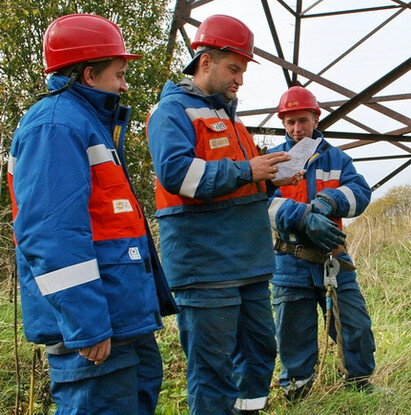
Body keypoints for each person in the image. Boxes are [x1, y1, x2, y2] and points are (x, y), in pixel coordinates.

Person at [7, 14, 177, 414]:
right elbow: (50, 233)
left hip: (120, 321)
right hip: (97, 330)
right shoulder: (55, 127)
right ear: (88, 75)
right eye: (118, 74)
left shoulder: (84, 122)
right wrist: (86, 324)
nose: (124, 84)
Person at [147, 14, 294, 415]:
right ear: (205, 61)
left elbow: (239, 184)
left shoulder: (233, 120)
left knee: (260, 351)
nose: (240, 80)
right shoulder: (171, 112)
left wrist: (271, 176)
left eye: (243, 71)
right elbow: (179, 175)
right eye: (234, 69)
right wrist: (249, 170)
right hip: (206, 267)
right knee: (212, 370)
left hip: (246, 262)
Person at [267, 86, 376, 400]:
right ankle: (296, 392)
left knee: (354, 327)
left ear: (316, 117)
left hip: (333, 260)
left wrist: (330, 200)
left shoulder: (337, 158)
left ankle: (360, 385)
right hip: (290, 263)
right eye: (289, 122)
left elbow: (360, 191)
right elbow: (263, 204)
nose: (296, 129)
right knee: (293, 336)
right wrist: (300, 216)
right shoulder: (274, 161)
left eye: (302, 120)